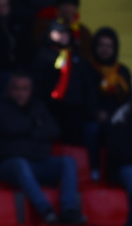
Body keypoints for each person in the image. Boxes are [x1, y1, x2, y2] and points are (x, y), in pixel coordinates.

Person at [0, 72, 84, 226]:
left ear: (30, 90)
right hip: (8, 166)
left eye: (25, 89)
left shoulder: (38, 106)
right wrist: (35, 125)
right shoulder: (0, 108)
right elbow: (11, 128)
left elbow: (53, 130)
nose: (20, 93)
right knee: (20, 163)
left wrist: (24, 131)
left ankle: (69, 211)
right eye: (16, 88)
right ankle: (46, 211)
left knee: (68, 162)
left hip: (38, 163)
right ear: (9, 90)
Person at [34, 18, 97, 147]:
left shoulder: (77, 57)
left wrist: (91, 109)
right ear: (49, 34)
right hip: (51, 109)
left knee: (75, 144)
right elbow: (38, 83)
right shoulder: (43, 55)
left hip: (75, 110)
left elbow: (87, 84)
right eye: (59, 32)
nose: (63, 35)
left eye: (66, 32)